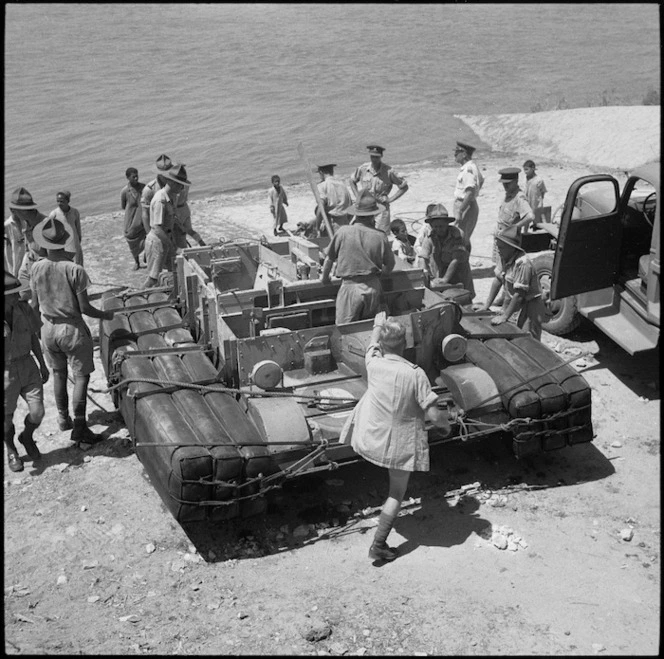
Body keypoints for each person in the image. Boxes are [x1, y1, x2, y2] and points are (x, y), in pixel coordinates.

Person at [340, 311, 450, 561]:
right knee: (396, 494)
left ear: (381, 345)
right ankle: (378, 546)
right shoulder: (415, 373)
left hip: (371, 439)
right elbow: (433, 414)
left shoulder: (373, 363)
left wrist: (377, 325)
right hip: (397, 445)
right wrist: (447, 426)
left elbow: (371, 345)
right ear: (405, 344)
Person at [29, 217, 115, 445]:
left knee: (59, 374)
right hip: (71, 329)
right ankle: (80, 426)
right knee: (80, 377)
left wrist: (37, 331)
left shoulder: (36, 268)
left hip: (47, 328)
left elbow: (34, 307)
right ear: (64, 241)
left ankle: (62, 418)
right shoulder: (75, 270)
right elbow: (85, 308)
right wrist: (106, 315)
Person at [320, 189, 395, 325]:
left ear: (356, 214)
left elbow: (329, 259)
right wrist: (379, 277)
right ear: (373, 215)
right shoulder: (380, 235)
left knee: (346, 329)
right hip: (373, 287)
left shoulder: (342, 232)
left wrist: (325, 279)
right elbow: (390, 264)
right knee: (372, 328)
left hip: (350, 287)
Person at [4, 272, 50, 472]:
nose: (18, 295)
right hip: (5, 373)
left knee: (37, 412)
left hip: (27, 366)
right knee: (5, 420)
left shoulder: (24, 309)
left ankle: (27, 437)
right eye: (13, 293)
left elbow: (33, 338)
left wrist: (42, 363)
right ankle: (11, 449)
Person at [480, 167, 535, 310]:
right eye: (503, 184)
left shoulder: (519, 198)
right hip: (501, 239)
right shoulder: (509, 195)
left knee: (503, 274)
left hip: (509, 242)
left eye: (508, 184)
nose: (505, 186)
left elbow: (530, 216)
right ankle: (500, 300)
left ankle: (499, 304)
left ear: (516, 181)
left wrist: (515, 228)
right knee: (501, 272)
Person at [488, 226, 546, 340]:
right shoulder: (503, 255)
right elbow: (498, 280)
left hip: (530, 305)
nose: (498, 249)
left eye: (501, 247)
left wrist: (505, 316)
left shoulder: (523, 263)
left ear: (511, 248)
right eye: (497, 246)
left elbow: (519, 295)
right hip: (513, 302)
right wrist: (486, 305)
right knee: (510, 334)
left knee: (528, 339)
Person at [143, 164, 190, 288]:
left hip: (166, 240)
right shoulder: (160, 200)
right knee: (153, 279)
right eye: (180, 184)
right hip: (158, 242)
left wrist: (180, 226)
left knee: (173, 272)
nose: (182, 187)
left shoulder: (172, 197)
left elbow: (171, 217)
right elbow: (157, 228)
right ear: (173, 183)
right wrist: (173, 247)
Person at [418, 203, 475, 299]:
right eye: (435, 226)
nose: (438, 229)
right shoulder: (430, 236)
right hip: (440, 274)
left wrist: (445, 279)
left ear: (447, 224)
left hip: (459, 274)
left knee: (462, 298)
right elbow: (423, 257)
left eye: (441, 226)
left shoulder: (457, 235)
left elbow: (456, 260)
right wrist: (424, 275)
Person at [350, 145, 409, 234]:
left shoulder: (389, 171)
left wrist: (390, 199)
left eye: (376, 157)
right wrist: (358, 195)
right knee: (363, 232)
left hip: (381, 208)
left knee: (381, 234)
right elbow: (352, 181)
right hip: (366, 207)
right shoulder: (363, 169)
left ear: (381, 156)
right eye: (372, 156)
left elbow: (404, 187)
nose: (374, 159)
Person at [4, 187, 46, 277]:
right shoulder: (26, 223)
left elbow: (54, 257)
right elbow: (29, 252)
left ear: (25, 210)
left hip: (44, 274)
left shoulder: (45, 225)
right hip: (30, 272)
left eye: (15, 210)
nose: (13, 212)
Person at [452, 141, 484, 253]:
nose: (455, 154)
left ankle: (463, 265)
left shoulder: (468, 169)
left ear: (464, 154)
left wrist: (460, 210)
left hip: (465, 206)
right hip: (467, 205)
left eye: (457, 152)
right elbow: (481, 180)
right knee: (463, 237)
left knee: (460, 238)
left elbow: (470, 192)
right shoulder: (471, 166)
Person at [171, 166, 205, 254]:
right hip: (185, 208)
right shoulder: (186, 184)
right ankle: (201, 243)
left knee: (177, 234)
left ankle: (181, 252)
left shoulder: (176, 186)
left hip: (178, 210)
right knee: (189, 230)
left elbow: (174, 200)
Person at [47, 191, 84, 266]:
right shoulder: (54, 214)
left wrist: (78, 241)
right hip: (63, 247)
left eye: (62, 201)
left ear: (68, 201)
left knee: (78, 267)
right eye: (58, 201)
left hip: (75, 245)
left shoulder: (74, 212)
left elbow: (78, 228)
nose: (59, 203)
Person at [119, 167, 146, 269]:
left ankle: (146, 255)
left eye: (137, 176)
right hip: (131, 219)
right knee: (131, 239)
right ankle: (136, 262)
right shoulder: (125, 191)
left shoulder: (144, 188)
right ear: (128, 178)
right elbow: (123, 206)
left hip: (143, 218)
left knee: (148, 237)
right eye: (133, 177)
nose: (136, 178)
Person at [141, 154, 173, 236]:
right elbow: (145, 215)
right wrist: (150, 235)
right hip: (158, 232)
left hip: (172, 230)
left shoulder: (172, 186)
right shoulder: (149, 190)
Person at [316, 163, 353, 232]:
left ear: (321, 172)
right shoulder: (343, 185)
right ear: (332, 172)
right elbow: (351, 207)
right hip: (345, 224)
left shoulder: (322, 186)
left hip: (331, 225)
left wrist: (317, 227)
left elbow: (321, 208)